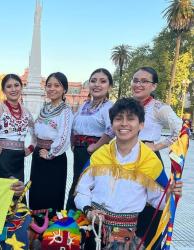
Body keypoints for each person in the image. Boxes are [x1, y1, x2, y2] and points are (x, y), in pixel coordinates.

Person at [74, 98, 183, 249]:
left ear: (141, 125)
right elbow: (82, 190)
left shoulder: (149, 161)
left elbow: (159, 203)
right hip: (92, 229)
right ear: (112, 124)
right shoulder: (100, 155)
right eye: (118, 119)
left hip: (126, 236)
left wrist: (170, 194)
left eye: (130, 119)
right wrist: (88, 210)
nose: (124, 123)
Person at [131, 67, 182, 247]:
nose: (138, 84)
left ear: (153, 86)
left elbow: (181, 129)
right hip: (126, 157)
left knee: (150, 206)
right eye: (135, 80)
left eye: (144, 81)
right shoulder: (126, 104)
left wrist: (155, 146)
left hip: (149, 159)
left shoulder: (159, 107)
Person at [66, 68, 114, 210]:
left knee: (88, 185)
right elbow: (74, 126)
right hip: (80, 152)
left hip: (95, 154)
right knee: (77, 182)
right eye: (93, 81)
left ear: (109, 86)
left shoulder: (109, 107)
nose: (97, 84)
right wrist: (73, 143)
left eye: (102, 81)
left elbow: (112, 129)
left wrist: (96, 146)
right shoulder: (84, 105)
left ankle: (86, 220)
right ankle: (71, 219)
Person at [0, 74, 36, 182]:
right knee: (4, 191)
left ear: (21, 87)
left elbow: (35, 134)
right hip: (3, 156)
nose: (13, 89)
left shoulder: (26, 112)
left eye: (16, 85)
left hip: (19, 158)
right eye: (9, 86)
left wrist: (31, 148)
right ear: (3, 90)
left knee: (17, 193)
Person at [29, 72, 73, 211]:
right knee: (36, 191)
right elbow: (36, 130)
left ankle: (50, 229)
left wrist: (50, 154)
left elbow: (64, 136)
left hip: (54, 158)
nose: (52, 89)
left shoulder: (65, 111)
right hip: (38, 156)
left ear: (64, 89)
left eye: (57, 85)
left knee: (51, 194)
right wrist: (33, 147)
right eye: (49, 85)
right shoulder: (44, 108)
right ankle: (35, 227)